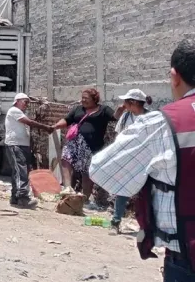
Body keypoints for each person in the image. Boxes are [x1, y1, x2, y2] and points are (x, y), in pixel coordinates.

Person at [90, 39, 195, 281]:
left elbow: (103, 170)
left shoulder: (158, 124)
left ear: (174, 76)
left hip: (186, 256)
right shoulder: (139, 121)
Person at [53, 88, 120, 204]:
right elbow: (67, 120)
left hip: (91, 146)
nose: (83, 100)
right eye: (82, 98)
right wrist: (55, 126)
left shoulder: (103, 109)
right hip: (74, 142)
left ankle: (85, 198)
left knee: (86, 171)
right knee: (65, 157)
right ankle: (68, 187)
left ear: (94, 99)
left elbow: (115, 117)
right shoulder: (78, 109)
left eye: (86, 98)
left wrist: (121, 109)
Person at [109, 89, 152, 233]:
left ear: (133, 102)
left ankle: (148, 225)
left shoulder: (150, 117)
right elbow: (118, 136)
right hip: (127, 158)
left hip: (145, 160)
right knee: (122, 189)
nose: (123, 104)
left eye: (126, 101)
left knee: (146, 192)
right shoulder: (126, 116)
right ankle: (115, 222)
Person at [4, 93, 53, 208]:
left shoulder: (19, 113)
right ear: (17, 101)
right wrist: (46, 127)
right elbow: (30, 123)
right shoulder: (14, 111)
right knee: (21, 171)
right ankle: (23, 198)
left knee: (18, 171)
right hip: (15, 145)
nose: (27, 105)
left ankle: (15, 198)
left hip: (21, 145)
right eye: (25, 102)